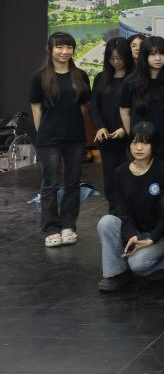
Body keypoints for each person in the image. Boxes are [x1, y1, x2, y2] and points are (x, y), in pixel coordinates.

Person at [31, 32, 91, 247]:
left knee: (73, 183)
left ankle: (68, 226)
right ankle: (51, 229)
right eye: (60, 47)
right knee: (50, 184)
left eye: (69, 47)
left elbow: (84, 106)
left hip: (75, 138)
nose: (65, 51)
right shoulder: (39, 77)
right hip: (49, 139)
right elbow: (36, 108)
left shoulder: (80, 75)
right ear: (50, 50)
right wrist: (42, 134)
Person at [96, 122, 164, 291]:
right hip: (136, 232)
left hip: (159, 235)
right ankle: (116, 273)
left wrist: (153, 238)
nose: (138, 148)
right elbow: (123, 210)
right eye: (134, 142)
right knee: (106, 222)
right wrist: (130, 234)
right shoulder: (121, 172)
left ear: (153, 145)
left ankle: (163, 262)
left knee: (138, 264)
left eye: (145, 143)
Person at [120, 36, 164, 162]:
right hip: (141, 143)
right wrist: (133, 137)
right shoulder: (130, 81)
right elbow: (124, 111)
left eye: (162, 54)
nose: (158, 58)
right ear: (144, 56)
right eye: (152, 54)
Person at [91, 37, 133, 208]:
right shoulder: (101, 78)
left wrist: (125, 128)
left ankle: (129, 213)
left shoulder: (134, 78)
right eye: (112, 58)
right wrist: (100, 127)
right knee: (110, 179)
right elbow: (94, 107)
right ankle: (114, 212)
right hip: (107, 138)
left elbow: (137, 108)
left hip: (128, 139)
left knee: (128, 177)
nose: (116, 62)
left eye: (120, 58)